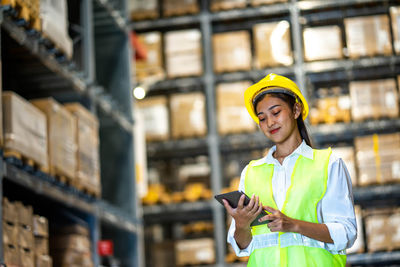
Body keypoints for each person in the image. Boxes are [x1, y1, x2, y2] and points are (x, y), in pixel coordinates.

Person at [223, 73, 357, 266]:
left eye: (276, 113)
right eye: (262, 118)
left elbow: (346, 233)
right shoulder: (251, 172)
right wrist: (242, 225)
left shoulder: (328, 164)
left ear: (296, 110)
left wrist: (293, 224)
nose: (269, 123)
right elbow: (243, 247)